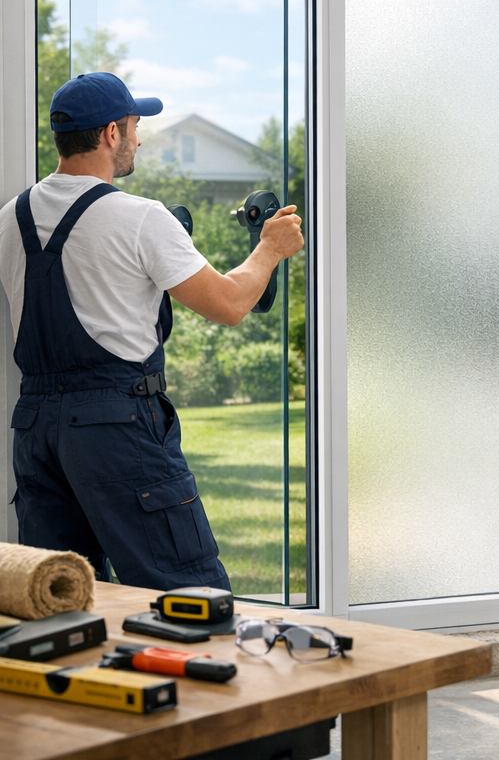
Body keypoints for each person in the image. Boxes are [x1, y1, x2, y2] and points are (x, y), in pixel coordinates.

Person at [0, 72, 304, 590]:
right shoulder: (139, 217)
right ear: (111, 134)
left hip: (34, 431)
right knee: (190, 596)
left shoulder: (11, 217)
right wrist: (270, 247)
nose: (139, 137)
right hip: (117, 427)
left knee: (58, 599)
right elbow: (229, 304)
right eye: (136, 124)